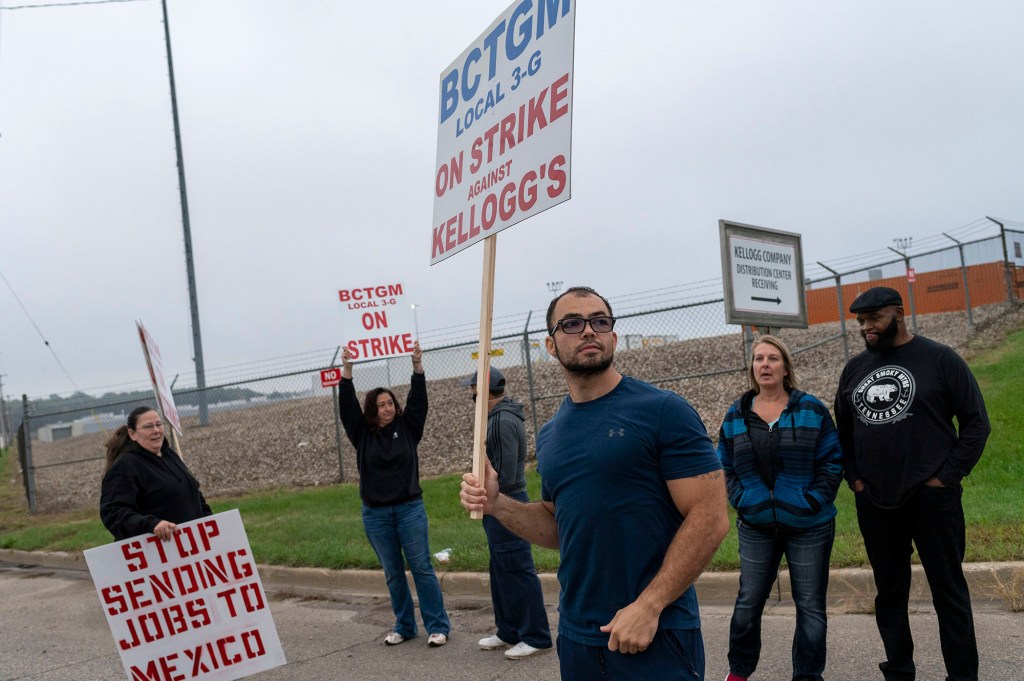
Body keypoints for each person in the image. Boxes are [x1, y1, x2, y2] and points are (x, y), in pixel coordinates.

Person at [461, 285, 729, 680]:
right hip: (578, 638)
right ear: (550, 346)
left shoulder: (662, 411)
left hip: (656, 633)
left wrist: (649, 606)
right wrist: (497, 503)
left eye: (599, 321)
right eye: (572, 323)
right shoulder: (551, 434)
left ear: (613, 337)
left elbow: (710, 516)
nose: (588, 330)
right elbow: (557, 526)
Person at [834, 286, 990, 681]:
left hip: (932, 501)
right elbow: (844, 435)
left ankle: (963, 675)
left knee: (948, 592)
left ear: (899, 314)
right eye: (861, 322)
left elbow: (976, 423)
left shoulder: (940, 359)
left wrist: (944, 478)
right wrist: (855, 481)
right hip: (876, 503)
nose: (867, 327)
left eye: (874, 319)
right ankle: (899, 670)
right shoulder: (854, 370)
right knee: (889, 594)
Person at [718, 335, 843, 681]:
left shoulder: (810, 409)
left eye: (773, 358)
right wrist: (742, 499)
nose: (765, 365)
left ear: (786, 367)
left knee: (811, 606)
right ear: (752, 368)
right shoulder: (736, 415)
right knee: (748, 603)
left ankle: (807, 676)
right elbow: (724, 465)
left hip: (810, 525)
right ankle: (739, 672)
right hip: (756, 525)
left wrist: (812, 500)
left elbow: (832, 462)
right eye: (758, 359)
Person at [339, 341, 451, 648]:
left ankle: (438, 626)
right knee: (393, 574)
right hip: (375, 515)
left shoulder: (409, 426)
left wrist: (417, 367)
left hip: (409, 510)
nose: (388, 408)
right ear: (372, 411)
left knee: (422, 568)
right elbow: (346, 405)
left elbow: (419, 403)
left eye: (391, 403)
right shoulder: (361, 433)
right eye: (381, 405)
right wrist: (347, 370)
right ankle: (404, 625)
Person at [460, 366, 552, 660]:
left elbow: (509, 472)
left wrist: (492, 494)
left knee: (516, 568)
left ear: (484, 390)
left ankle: (535, 635)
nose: (471, 394)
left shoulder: (502, 421)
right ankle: (508, 629)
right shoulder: (495, 418)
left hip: (507, 503)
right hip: (496, 504)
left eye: (473, 388)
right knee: (501, 569)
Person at [100, 406, 212, 542]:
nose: (156, 430)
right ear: (132, 434)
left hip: (190, 545)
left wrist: (209, 521)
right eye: (148, 427)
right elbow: (113, 513)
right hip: (156, 551)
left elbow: (194, 495)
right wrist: (151, 525)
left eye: (159, 424)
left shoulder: (170, 455)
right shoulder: (126, 466)